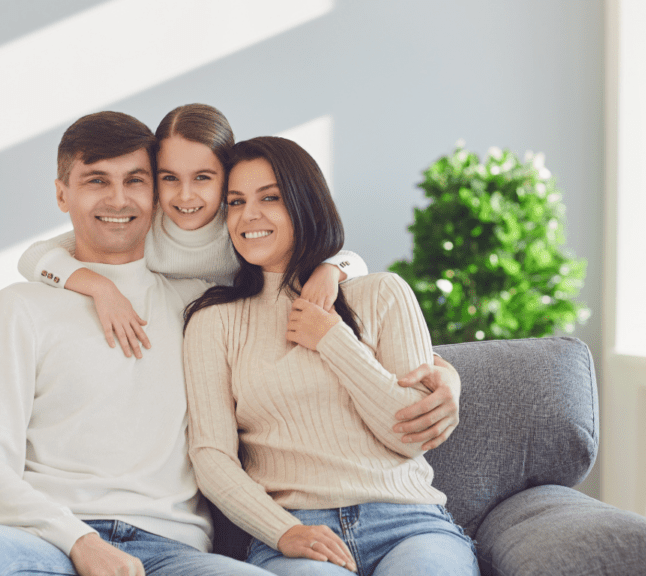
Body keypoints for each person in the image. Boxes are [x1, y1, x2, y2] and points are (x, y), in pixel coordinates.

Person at [0, 111, 273, 576]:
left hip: (171, 551)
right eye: (97, 180)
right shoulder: (19, 307)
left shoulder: (201, 305)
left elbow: (302, 283)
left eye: (135, 181)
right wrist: (78, 540)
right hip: (46, 540)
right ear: (62, 193)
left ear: (157, 195)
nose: (118, 199)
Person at [18, 103, 462, 449]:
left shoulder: (242, 231)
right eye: (169, 178)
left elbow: (353, 260)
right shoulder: (144, 226)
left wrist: (329, 269)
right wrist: (100, 287)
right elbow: (34, 257)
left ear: (226, 179)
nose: (186, 196)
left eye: (204, 178)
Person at [183, 136, 480, 576]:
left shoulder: (383, 292)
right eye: (236, 201)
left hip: (409, 524)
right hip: (297, 534)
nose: (250, 215)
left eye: (271, 197)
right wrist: (281, 531)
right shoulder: (214, 320)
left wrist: (332, 339)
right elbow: (212, 457)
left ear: (306, 203)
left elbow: (410, 436)